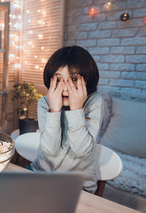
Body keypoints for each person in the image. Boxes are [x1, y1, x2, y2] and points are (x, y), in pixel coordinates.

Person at [28, 45, 104, 193]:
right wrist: (54, 110)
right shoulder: (45, 103)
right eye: (58, 79)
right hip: (40, 175)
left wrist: (76, 109)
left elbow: (81, 151)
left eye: (74, 79)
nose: (65, 88)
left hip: (77, 185)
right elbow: (50, 150)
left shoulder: (94, 102)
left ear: (87, 80)